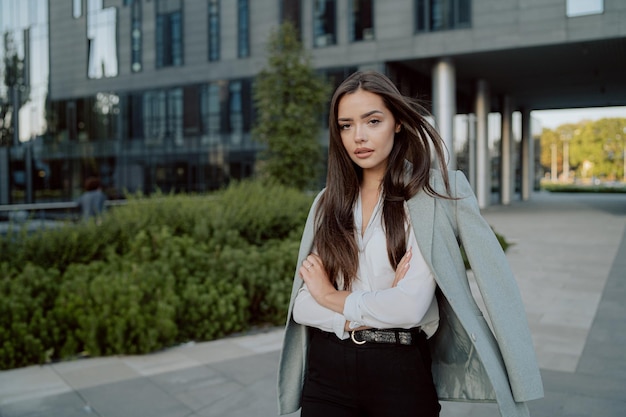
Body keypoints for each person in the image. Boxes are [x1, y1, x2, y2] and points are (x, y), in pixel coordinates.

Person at [277, 71, 543, 417]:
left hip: (399, 371)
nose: (359, 136)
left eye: (373, 121)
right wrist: (374, 305)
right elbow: (301, 307)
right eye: (346, 125)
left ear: (397, 123)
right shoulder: (327, 203)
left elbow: (410, 308)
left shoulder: (436, 194)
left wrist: (330, 297)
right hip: (327, 375)